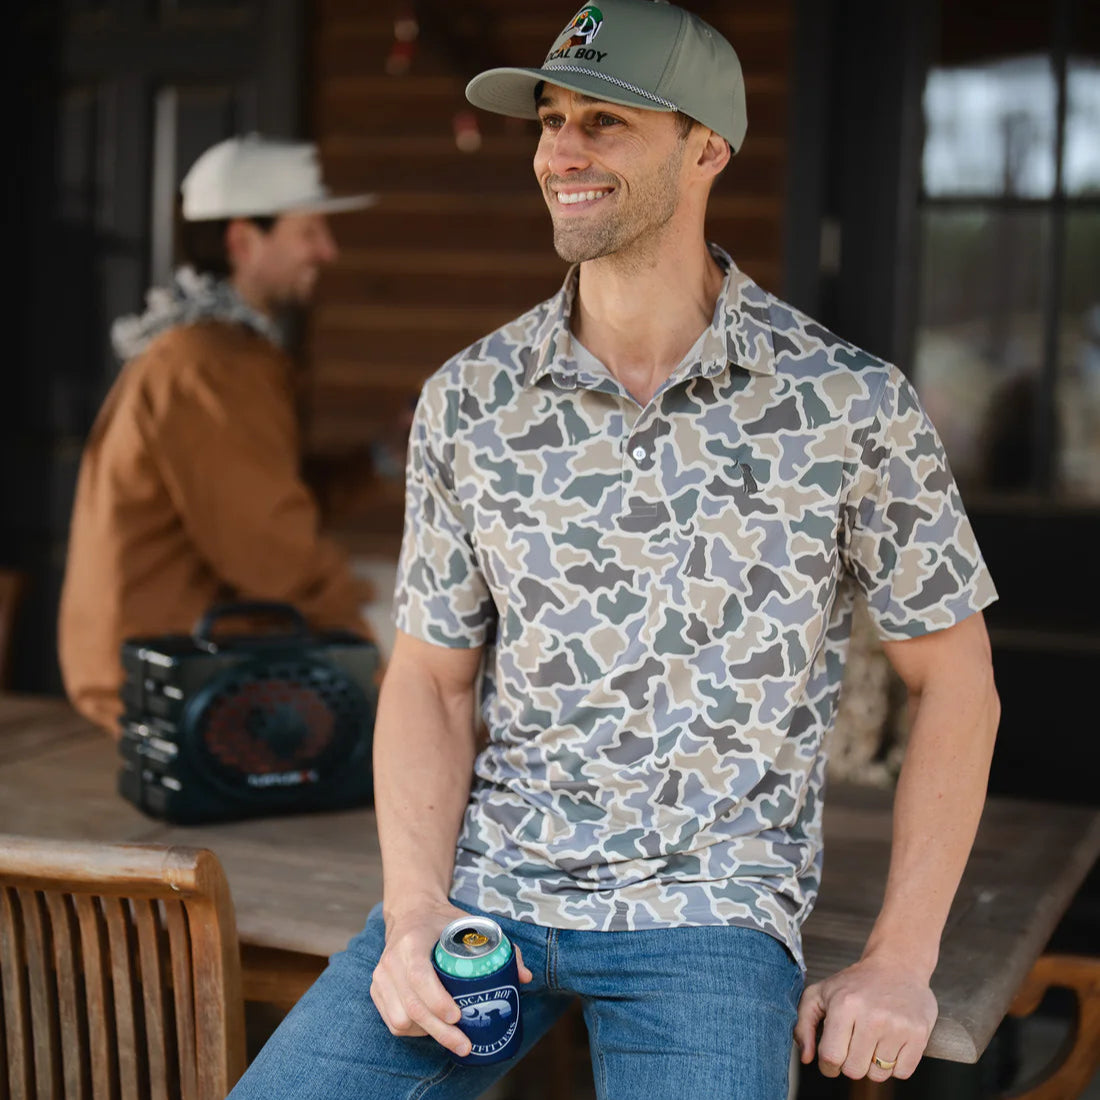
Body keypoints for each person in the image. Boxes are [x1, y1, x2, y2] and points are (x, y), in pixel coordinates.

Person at [229, 3, 1000, 1098]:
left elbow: (957, 684)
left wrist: (899, 959)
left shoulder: (846, 405)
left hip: (709, 916)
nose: (560, 151)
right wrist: (412, 911)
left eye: (604, 121)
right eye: (549, 120)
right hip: (483, 897)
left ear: (705, 149)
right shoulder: (468, 401)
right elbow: (433, 683)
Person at [58, 134, 377, 735]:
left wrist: (376, 462)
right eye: (308, 232)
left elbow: (262, 495)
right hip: (171, 681)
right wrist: (385, 669)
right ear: (242, 240)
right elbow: (271, 553)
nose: (327, 252)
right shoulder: (211, 365)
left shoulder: (209, 349)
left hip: (183, 660)